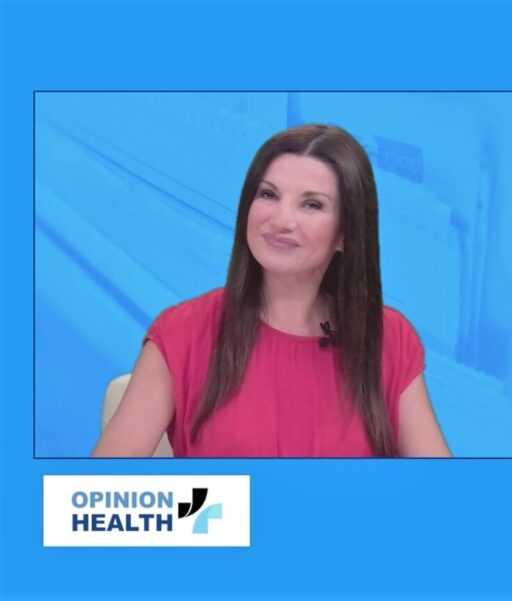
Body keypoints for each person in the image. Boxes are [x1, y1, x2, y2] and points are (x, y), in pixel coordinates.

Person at [94, 124, 451, 457]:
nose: (281, 220)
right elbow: (101, 496)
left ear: (345, 233)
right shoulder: (181, 332)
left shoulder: (389, 338)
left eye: (312, 204)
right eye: (268, 195)